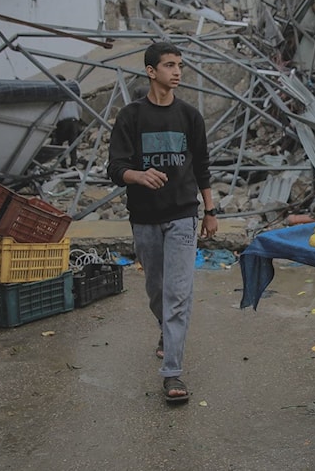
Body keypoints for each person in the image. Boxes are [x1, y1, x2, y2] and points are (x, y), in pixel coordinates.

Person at [107, 41, 219, 404]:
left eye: (180, 65)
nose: (177, 72)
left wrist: (210, 210)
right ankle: (165, 331)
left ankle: (172, 373)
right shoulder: (131, 117)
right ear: (151, 71)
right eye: (169, 65)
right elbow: (115, 167)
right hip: (144, 219)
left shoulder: (190, 116)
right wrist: (138, 176)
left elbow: (202, 166)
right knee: (156, 291)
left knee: (177, 294)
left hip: (183, 216)